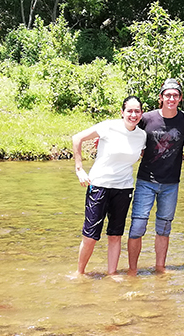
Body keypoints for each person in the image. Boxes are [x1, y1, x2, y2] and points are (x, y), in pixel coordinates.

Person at [71, 96, 147, 276]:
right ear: (122, 112)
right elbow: (77, 138)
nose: (133, 114)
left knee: (115, 234)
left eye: (137, 111)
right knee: (90, 236)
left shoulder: (141, 135)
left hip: (124, 188)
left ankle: (112, 274)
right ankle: (79, 273)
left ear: (141, 114)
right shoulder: (108, 126)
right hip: (99, 185)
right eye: (129, 110)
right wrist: (79, 169)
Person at [126, 78, 184, 274]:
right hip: (146, 181)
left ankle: (160, 268)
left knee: (164, 228)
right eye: (167, 95)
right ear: (161, 98)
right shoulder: (147, 118)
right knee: (137, 226)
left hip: (171, 183)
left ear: (180, 98)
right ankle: (132, 270)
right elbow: (126, 128)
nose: (171, 98)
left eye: (175, 95)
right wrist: (103, 140)